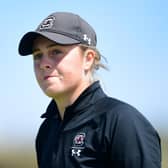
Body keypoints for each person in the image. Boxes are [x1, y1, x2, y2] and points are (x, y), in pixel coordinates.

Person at [18, 12, 161, 168]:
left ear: (88, 59)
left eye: (56, 51)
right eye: (37, 55)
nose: (43, 63)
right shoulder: (47, 130)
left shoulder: (122, 122)